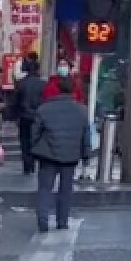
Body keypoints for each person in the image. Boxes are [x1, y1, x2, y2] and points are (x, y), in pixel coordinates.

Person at [29, 75, 88, 233]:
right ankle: (62, 221)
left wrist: (34, 148)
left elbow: (35, 132)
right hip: (71, 155)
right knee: (66, 190)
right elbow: (85, 135)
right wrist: (85, 155)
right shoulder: (82, 110)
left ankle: (43, 220)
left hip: (48, 154)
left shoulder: (44, 109)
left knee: (45, 188)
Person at [11, 57, 46, 174]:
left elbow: (15, 102)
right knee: (35, 141)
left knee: (25, 142)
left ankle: (27, 166)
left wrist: (14, 116)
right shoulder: (43, 84)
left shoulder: (21, 84)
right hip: (38, 118)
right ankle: (33, 164)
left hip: (24, 117)